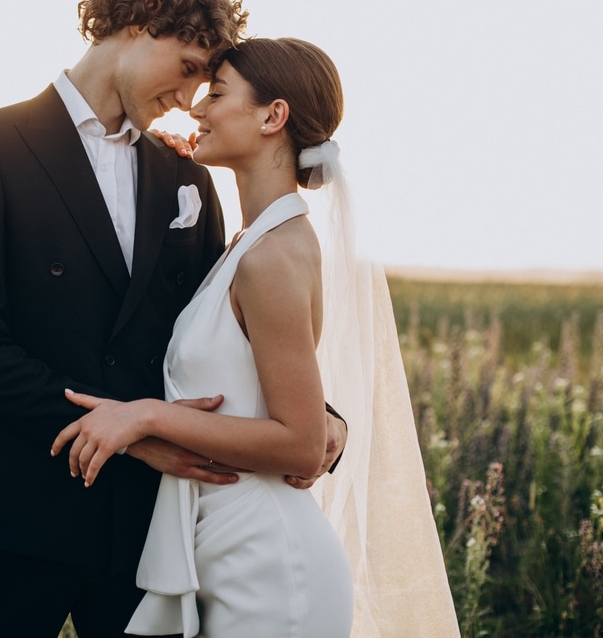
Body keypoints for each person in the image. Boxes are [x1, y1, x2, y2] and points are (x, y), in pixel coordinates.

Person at [0, 0, 343, 636]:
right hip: (11, 514)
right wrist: (129, 438)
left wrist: (320, 419)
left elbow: (227, 334)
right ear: (143, 17)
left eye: (206, 83)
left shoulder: (185, 178)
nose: (187, 100)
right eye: (185, 69)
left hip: (148, 539)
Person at [54, 37, 459, 637]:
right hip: (226, 549)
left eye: (216, 94)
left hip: (270, 565)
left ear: (273, 117)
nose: (196, 108)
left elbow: (299, 445)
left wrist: (146, 417)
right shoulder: (247, 244)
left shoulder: (272, 255)